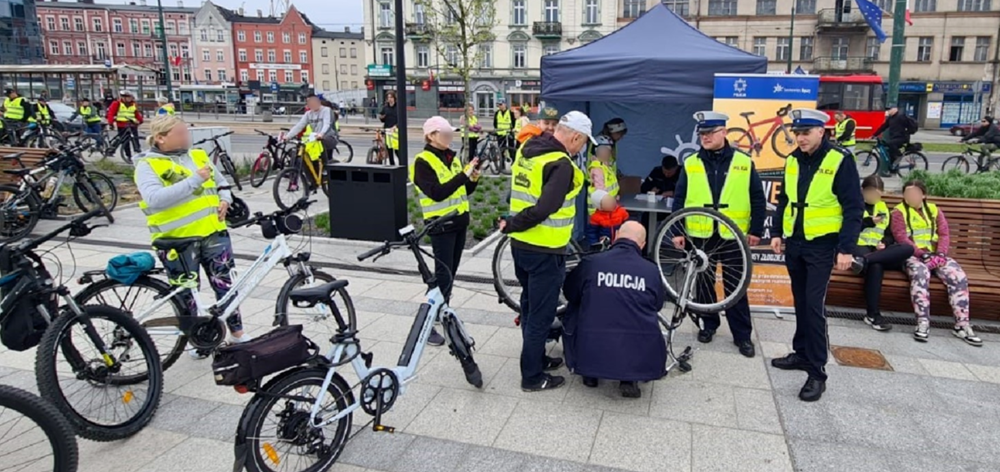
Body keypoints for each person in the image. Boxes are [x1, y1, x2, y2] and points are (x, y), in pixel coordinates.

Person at [133, 115, 248, 358]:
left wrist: (225, 200)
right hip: (177, 240)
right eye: (180, 133)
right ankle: (200, 341)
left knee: (226, 285)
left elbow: (222, 183)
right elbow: (154, 199)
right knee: (186, 294)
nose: (187, 137)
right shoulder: (148, 165)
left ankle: (237, 334)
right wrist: (195, 179)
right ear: (161, 138)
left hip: (213, 233)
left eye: (187, 132)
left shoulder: (198, 155)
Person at [770, 108, 863, 402]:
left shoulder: (839, 160)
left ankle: (817, 372)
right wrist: (776, 232)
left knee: (813, 306)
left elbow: (853, 208)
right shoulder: (793, 160)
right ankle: (800, 353)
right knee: (800, 301)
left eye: (806, 132)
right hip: (795, 243)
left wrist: (846, 248)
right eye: (797, 133)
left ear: (822, 132)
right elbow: (784, 199)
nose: (800, 138)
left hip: (822, 246)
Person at [499, 111, 592, 392]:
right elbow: (544, 208)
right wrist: (513, 223)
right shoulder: (560, 163)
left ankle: (536, 357)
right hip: (545, 249)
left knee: (529, 305)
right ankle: (532, 376)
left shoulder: (529, 151)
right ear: (575, 136)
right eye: (584, 141)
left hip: (521, 246)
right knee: (541, 314)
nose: (583, 148)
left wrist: (513, 226)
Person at [671, 111, 767, 358]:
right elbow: (679, 198)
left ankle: (742, 335)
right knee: (703, 283)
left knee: (736, 286)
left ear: (724, 132)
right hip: (700, 233)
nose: (704, 137)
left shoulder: (743, 162)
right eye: (701, 134)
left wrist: (756, 229)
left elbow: (757, 197)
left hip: (732, 234)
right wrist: (677, 230)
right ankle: (708, 324)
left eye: (709, 133)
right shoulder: (691, 162)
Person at [563, 221, 666, 398]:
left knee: (577, 305)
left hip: (593, 340)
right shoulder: (651, 270)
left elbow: (570, 292)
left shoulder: (591, 262)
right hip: (637, 348)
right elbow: (657, 305)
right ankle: (630, 378)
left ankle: (589, 373)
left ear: (616, 236)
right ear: (641, 245)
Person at [410, 116, 482, 346]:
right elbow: (437, 193)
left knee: (449, 274)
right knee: (442, 276)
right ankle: (427, 324)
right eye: (445, 134)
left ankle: (443, 312)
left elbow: (464, 190)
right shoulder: (422, 162)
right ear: (431, 136)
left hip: (459, 223)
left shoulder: (451, 157)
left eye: (451, 134)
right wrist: (463, 175)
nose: (450, 138)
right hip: (441, 226)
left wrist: (473, 177)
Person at [890, 180, 982, 346]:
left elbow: (944, 234)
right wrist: (922, 255)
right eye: (907, 193)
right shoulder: (898, 212)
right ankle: (922, 322)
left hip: (936, 255)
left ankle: (962, 325)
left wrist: (940, 254)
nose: (910, 196)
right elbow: (901, 238)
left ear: (923, 195)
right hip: (913, 256)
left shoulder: (934, 210)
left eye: (915, 193)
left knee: (957, 275)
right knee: (920, 274)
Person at [850, 175, 914, 332]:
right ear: (863, 191)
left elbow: (890, 234)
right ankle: (873, 315)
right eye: (871, 193)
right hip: (859, 246)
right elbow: (847, 230)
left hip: (874, 252)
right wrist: (869, 222)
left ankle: (864, 261)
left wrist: (885, 243)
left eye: (878, 194)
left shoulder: (883, 207)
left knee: (907, 248)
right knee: (876, 266)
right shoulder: (854, 205)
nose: (874, 197)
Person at [285, 94, 337, 161]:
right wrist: (288, 136)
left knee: (320, 147)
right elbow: (299, 125)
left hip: (329, 137)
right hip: (315, 138)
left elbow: (327, 124)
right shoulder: (308, 114)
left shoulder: (326, 110)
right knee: (302, 148)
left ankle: (324, 164)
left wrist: (321, 134)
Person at [872, 107, 917, 171]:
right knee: (889, 149)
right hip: (894, 137)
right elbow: (884, 126)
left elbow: (910, 125)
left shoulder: (901, 116)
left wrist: (907, 133)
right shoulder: (891, 118)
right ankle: (893, 167)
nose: (888, 111)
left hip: (902, 138)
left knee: (890, 144)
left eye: (889, 110)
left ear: (894, 109)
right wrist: (874, 134)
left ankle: (899, 155)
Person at [106, 91, 144, 161]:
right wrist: (110, 123)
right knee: (124, 140)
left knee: (135, 139)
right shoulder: (116, 103)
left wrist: (140, 120)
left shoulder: (133, 104)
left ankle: (138, 152)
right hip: (122, 124)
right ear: (123, 98)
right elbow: (111, 113)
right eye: (128, 97)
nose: (130, 98)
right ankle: (128, 156)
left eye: (130, 97)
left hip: (132, 124)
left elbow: (136, 113)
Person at [587, 136, 618, 215]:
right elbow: (600, 190)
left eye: (609, 151)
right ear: (597, 151)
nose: (608, 153)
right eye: (605, 150)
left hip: (607, 207)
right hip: (600, 210)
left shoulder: (606, 166)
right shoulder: (597, 168)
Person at [378, 91, 400, 165]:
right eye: (388, 98)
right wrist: (381, 118)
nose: (390, 99)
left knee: (397, 150)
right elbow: (382, 118)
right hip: (387, 130)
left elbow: (401, 119)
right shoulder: (385, 107)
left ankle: (401, 164)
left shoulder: (398, 107)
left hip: (395, 130)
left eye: (391, 97)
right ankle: (392, 165)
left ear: (394, 98)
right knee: (389, 149)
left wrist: (396, 126)